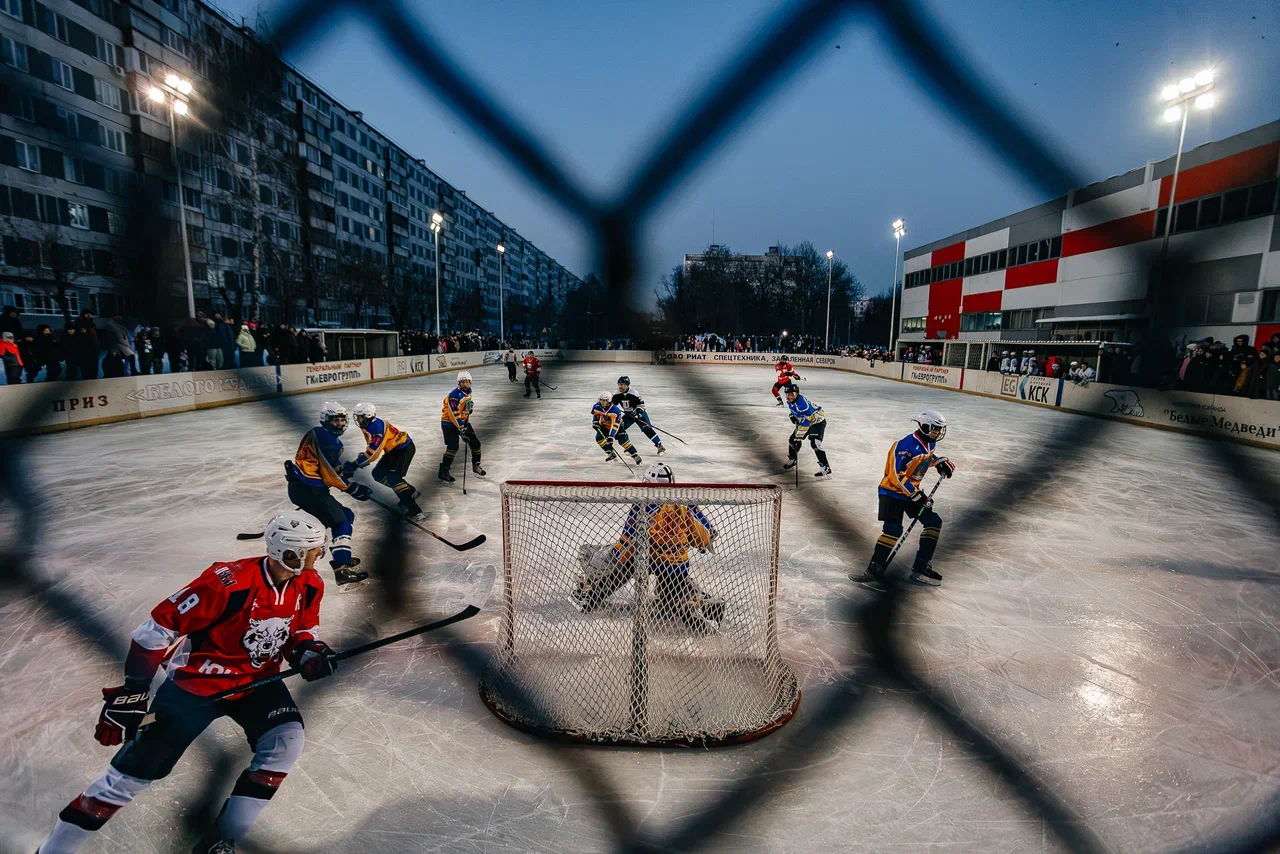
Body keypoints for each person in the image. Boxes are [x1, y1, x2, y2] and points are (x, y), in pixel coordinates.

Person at [35, 510, 337, 854]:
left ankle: (219, 841)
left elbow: (299, 630)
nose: (321, 556)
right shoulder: (227, 584)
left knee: (285, 741)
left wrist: (307, 652)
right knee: (128, 779)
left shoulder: (309, 584)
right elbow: (154, 632)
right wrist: (134, 690)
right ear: (290, 553)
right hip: (195, 688)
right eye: (314, 550)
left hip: (256, 681)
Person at [571, 462, 723, 634]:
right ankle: (696, 600)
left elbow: (627, 540)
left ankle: (591, 597)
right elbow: (705, 536)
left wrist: (613, 558)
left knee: (622, 568)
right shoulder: (685, 501)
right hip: (676, 563)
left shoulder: (643, 503)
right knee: (673, 593)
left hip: (647, 558)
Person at [851, 410, 954, 587]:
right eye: (935, 429)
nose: (937, 433)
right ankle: (874, 568)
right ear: (925, 426)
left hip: (910, 493)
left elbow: (925, 456)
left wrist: (938, 462)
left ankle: (920, 568)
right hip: (891, 492)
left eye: (939, 430)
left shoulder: (928, 442)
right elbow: (897, 476)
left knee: (933, 522)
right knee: (893, 530)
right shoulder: (906, 446)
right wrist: (917, 496)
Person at [284, 402, 372, 588]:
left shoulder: (320, 434)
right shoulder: (327, 439)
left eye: (341, 419)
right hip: (308, 489)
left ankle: (341, 554)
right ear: (326, 420)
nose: (339, 423)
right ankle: (342, 569)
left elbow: (326, 466)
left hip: (306, 488)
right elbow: (330, 472)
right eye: (335, 419)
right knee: (340, 522)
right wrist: (351, 488)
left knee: (347, 515)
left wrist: (343, 473)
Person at [347, 402, 424, 521]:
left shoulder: (377, 427)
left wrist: (356, 464)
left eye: (359, 416)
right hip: (394, 451)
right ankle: (409, 491)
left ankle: (415, 511)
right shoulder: (367, 426)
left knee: (394, 478)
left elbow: (374, 453)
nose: (357, 419)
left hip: (403, 449)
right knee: (378, 474)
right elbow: (371, 447)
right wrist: (363, 459)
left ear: (367, 416)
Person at [440, 371, 484, 483]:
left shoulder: (469, 392)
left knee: (475, 444)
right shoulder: (454, 396)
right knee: (453, 447)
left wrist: (469, 408)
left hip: (462, 422)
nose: (466, 384)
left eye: (467, 382)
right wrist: (461, 428)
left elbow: (464, 407)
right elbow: (453, 413)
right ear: (459, 383)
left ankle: (476, 465)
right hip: (449, 423)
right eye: (463, 382)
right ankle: (444, 471)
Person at [780, 383, 831, 478]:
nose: (788, 397)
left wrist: (798, 437)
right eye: (787, 394)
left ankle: (826, 468)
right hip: (807, 420)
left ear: (796, 394)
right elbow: (795, 412)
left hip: (817, 422)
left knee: (815, 443)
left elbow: (806, 422)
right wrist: (793, 416)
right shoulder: (790, 401)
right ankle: (793, 459)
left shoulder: (802, 404)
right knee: (792, 440)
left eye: (791, 394)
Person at [612, 375, 664, 455]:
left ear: (627, 385)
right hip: (628, 415)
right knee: (619, 429)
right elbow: (613, 405)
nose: (620, 386)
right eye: (619, 384)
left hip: (639, 413)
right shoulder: (616, 394)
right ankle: (628, 447)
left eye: (622, 384)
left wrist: (638, 413)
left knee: (647, 430)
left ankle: (659, 445)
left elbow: (641, 405)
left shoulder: (634, 393)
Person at [592, 391, 643, 465]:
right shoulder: (596, 406)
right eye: (601, 400)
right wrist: (595, 422)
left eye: (605, 400)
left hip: (617, 427)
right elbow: (596, 414)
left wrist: (610, 436)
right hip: (605, 426)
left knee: (623, 441)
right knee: (599, 438)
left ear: (609, 401)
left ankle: (635, 455)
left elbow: (615, 425)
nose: (602, 402)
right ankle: (611, 453)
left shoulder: (615, 410)